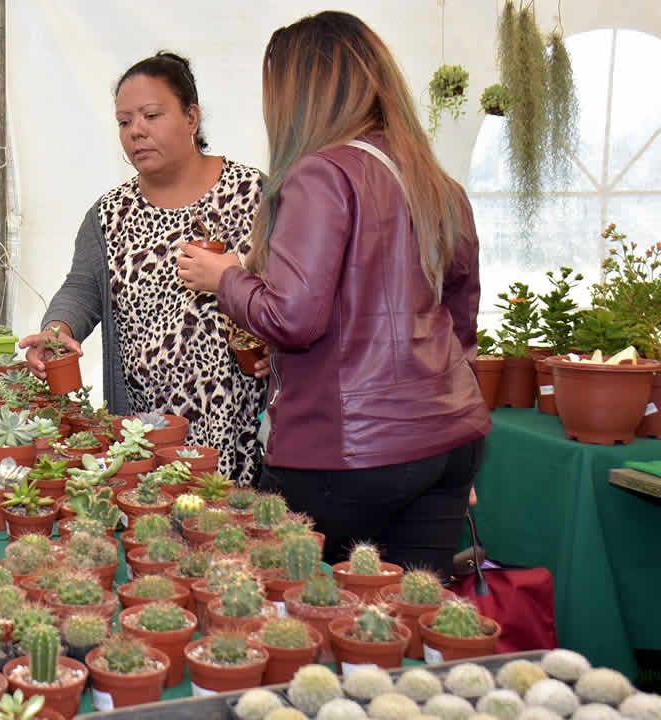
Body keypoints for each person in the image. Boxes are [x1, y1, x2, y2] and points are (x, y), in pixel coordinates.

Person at [178, 11, 490, 577]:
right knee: (413, 617)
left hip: (347, 451)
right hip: (447, 441)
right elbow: (460, 317)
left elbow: (294, 316)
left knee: (298, 608)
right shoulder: (436, 183)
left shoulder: (320, 174)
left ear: (301, 92)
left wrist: (224, 276)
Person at [19, 51, 265, 485]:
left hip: (238, 437)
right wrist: (58, 330)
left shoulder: (253, 194)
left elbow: (295, 294)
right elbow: (81, 288)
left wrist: (270, 345)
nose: (136, 131)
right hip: (141, 438)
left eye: (151, 115)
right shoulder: (110, 214)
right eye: (124, 121)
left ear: (192, 118)